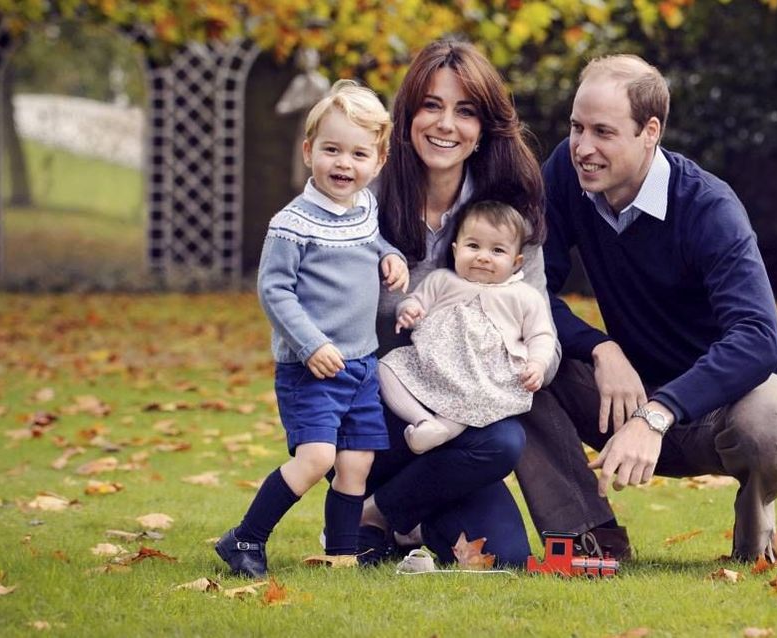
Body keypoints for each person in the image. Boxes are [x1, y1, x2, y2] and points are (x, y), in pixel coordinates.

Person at [516, 54, 777, 564]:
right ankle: (590, 536)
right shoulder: (566, 171)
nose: (583, 148)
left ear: (650, 131)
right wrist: (600, 347)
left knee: (772, 418)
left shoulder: (708, 208)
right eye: (576, 127)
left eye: (603, 132)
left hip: (720, 411)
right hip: (624, 396)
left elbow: (758, 337)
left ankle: (754, 526)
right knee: (514, 356)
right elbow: (526, 291)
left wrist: (658, 413)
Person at [351, 38, 560, 568]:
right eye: (431, 106)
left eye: (464, 111)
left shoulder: (508, 213)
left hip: (466, 420)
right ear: (407, 114)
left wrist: (524, 365)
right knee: (477, 445)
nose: (446, 124)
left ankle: (380, 514)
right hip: (377, 410)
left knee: (505, 548)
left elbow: (540, 323)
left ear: (483, 128)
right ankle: (389, 509)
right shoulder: (365, 199)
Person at [216, 80, 408, 577]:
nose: (344, 164)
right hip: (312, 367)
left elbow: (373, 243)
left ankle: (341, 554)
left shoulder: (364, 208)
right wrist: (311, 344)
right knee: (317, 456)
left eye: (358, 153)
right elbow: (274, 290)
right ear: (309, 152)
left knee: (356, 465)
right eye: (332, 150)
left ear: (379, 161)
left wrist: (390, 256)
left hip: (361, 363)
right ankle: (245, 539)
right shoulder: (291, 223)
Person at [379, 200, 556, 454]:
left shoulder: (524, 296)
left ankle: (441, 430)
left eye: (497, 251)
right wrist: (408, 311)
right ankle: (424, 422)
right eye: (473, 246)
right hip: (431, 364)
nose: (483, 257)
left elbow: (541, 335)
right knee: (386, 369)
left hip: (483, 375)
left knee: (472, 399)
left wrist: (537, 364)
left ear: (516, 262)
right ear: (455, 250)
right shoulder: (442, 280)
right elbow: (415, 302)